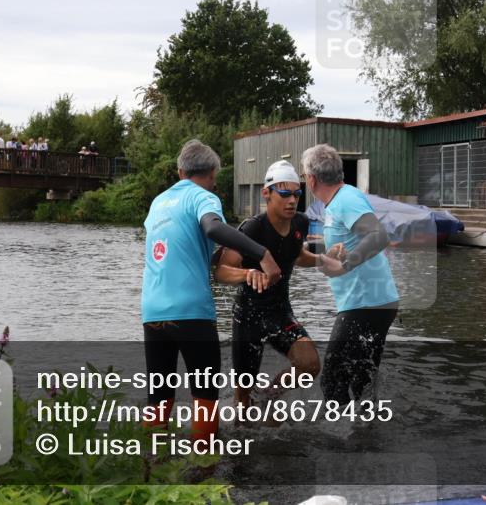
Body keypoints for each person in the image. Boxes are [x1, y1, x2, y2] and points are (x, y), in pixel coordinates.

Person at [141, 139, 282, 449]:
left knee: (159, 397)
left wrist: (216, 255)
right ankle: (204, 474)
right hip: (191, 314)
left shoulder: (158, 202)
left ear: (180, 171)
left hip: (152, 312)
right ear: (213, 173)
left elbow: (180, 247)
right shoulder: (203, 197)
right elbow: (212, 228)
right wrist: (262, 253)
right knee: (204, 396)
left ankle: (151, 471)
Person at [215, 160, 343, 409]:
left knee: (309, 365)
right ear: (267, 194)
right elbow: (221, 271)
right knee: (242, 402)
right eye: (285, 194)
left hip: (280, 312)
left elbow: (295, 255)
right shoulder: (252, 228)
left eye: (297, 194)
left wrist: (322, 260)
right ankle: (246, 422)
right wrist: (248, 274)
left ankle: (267, 398)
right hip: (248, 316)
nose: (292, 201)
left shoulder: (301, 223)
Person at [302, 144, 399, 404]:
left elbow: (379, 235)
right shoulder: (338, 202)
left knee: (332, 379)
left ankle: (338, 438)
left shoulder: (346, 199)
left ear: (311, 179)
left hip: (367, 304)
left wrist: (346, 265)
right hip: (372, 302)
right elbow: (352, 243)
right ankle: (365, 435)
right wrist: (331, 258)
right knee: (360, 381)